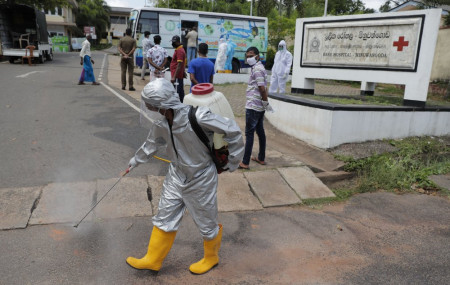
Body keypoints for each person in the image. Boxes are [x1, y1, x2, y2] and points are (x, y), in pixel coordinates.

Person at [126, 78, 244, 275]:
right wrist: (133, 162)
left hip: (201, 177)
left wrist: (233, 161)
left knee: (206, 220)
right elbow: (150, 145)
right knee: (165, 214)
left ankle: (211, 257)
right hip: (176, 174)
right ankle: (153, 259)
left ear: (162, 104)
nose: (147, 107)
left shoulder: (198, 116)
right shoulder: (162, 123)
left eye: (150, 104)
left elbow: (232, 130)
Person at [239, 47, 273, 170]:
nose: (249, 58)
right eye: (247, 56)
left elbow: (262, 89)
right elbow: (264, 88)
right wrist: (264, 104)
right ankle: (261, 157)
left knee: (249, 134)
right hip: (258, 106)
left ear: (257, 56)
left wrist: (265, 103)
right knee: (260, 132)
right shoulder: (259, 68)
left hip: (253, 106)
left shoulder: (257, 69)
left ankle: (245, 162)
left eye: (251, 55)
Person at [169, 35, 187, 102]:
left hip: (176, 76)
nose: (173, 44)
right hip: (178, 74)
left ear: (179, 42)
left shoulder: (179, 50)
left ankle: (179, 104)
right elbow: (182, 63)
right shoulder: (179, 49)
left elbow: (179, 64)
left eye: (175, 42)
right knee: (180, 91)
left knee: (178, 92)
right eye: (172, 42)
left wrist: (174, 77)